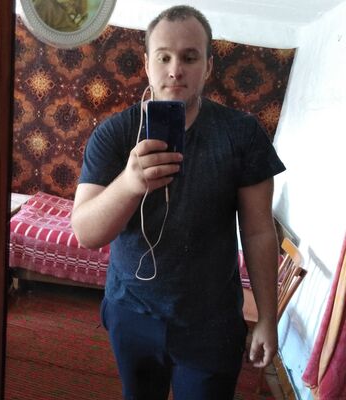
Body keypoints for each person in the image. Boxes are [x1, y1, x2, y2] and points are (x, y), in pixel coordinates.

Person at [71, 5, 285, 400]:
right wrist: (129, 184)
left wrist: (268, 319)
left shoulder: (242, 134)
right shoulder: (114, 135)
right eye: (164, 57)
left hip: (212, 321)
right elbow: (86, 233)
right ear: (146, 64)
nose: (175, 70)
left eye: (190, 57)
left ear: (208, 66)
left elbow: (258, 232)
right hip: (131, 311)